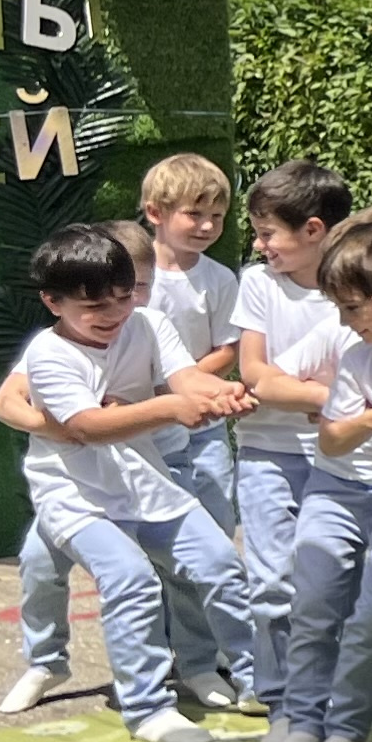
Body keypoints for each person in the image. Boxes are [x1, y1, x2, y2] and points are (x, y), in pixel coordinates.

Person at [11, 222, 259, 742]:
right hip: (74, 497)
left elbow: (186, 378)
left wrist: (221, 393)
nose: (114, 314)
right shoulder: (47, 354)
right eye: (93, 306)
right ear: (53, 302)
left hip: (146, 483)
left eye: (124, 297)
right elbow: (88, 427)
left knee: (219, 562)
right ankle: (147, 708)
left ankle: (260, 682)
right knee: (130, 580)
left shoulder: (148, 322)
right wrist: (170, 408)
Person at [277, 213, 372, 742]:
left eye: (352, 306)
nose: (343, 319)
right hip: (337, 487)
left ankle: (348, 725)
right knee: (314, 602)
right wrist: (366, 417)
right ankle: (304, 719)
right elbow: (324, 430)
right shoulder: (354, 347)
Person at [232, 160, 357, 710]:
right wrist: (329, 398)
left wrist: (303, 393)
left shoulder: (354, 286)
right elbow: (256, 375)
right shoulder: (258, 284)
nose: (260, 246)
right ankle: (279, 692)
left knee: (333, 580)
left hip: (342, 458)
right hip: (268, 451)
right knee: (273, 581)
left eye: (267, 234)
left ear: (313, 230)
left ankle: (329, 689)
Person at [141, 152, 246, 546]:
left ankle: (216, 570)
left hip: (205, 421)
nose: (207, 226)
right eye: (194, 214)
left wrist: (183, 383)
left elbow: (227, 349)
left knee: (216, 501)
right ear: (155, 212)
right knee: (158, 513)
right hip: (146, 418)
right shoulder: (131, 276)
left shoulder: (219, 279)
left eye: (217, 216)